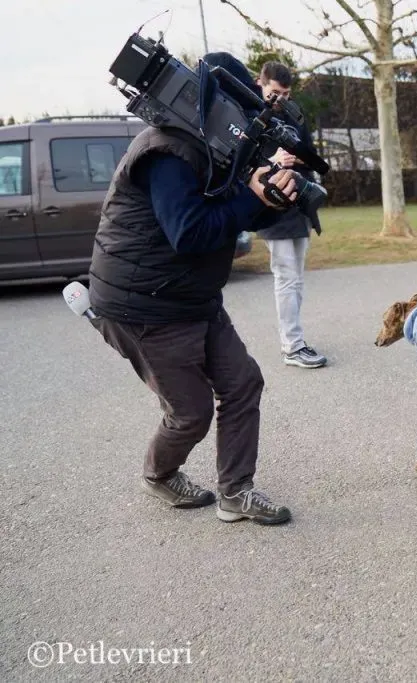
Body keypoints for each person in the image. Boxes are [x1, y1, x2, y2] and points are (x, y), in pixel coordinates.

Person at [87, 52, 296, 525]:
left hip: (193, 297)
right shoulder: (167, 150)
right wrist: (250, 200)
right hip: (144, 305)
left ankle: (236, 491)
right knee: (192, 412)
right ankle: (159, 475)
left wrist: (273, 202)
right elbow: (190, 233)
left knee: (243, 382)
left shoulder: (214, 146)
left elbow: (236, 214)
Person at [255, 61, 327, 369]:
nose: (279, 99)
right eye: (274, 92)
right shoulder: (249, 113)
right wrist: (272, 159)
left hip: (299, 204)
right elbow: (242, 161)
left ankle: (294, 339)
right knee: (285, 277)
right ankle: (293, 346)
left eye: (285, 93)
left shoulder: (294, 115)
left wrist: (296, 156)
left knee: (296, 279)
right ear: (261, 84)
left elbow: (311, 155)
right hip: (272, 206)